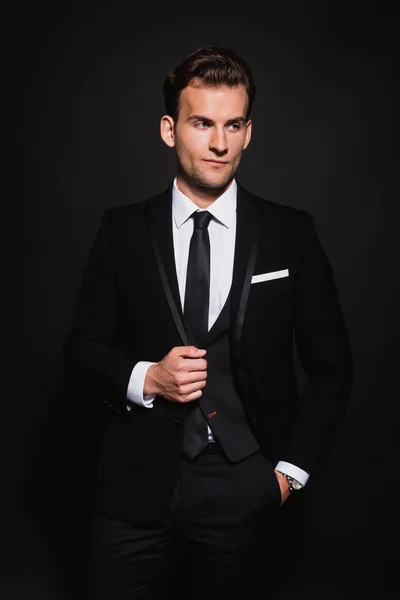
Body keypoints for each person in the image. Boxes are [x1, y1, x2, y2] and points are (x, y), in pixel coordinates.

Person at [64, 45, 353, 600]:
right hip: (133, 488)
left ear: (248, 132)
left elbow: (332, 367)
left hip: (244, 484)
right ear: (170, 130)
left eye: (233, 124)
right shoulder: (122, 231)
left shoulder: (291, 233)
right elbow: (82, 346)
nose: (219, 142)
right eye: (202, 123)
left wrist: (289, 474)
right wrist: (147, 377)